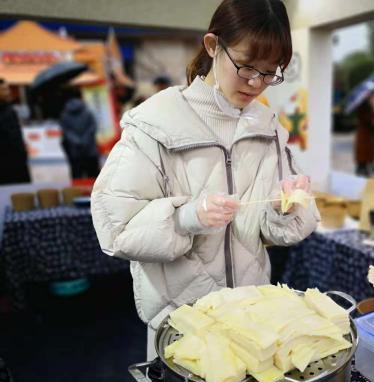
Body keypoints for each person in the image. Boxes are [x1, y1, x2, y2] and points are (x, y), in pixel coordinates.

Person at [90, 0, 320, 360]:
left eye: (270, 72)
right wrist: (186, 217)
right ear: (213, 46)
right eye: (246, 66)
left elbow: (276, 231)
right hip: (183, 321)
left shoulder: (268, 129)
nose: (257, 83)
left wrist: (285, 207)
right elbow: (115, 227)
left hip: (249, 316)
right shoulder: (155, 124)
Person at [59, 88, 100, 179]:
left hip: (75, 151)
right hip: (90, 149)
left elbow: (66, 131)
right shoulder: (87, 112)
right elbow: (93, 127)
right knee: (93, 176)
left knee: (77, 176)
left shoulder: (64, 115)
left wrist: (77, 141)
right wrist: (85, 139)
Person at [0, 79, 31, 185]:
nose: (8, 92)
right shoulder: (8, 112)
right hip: (13, 162)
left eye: (7, 89)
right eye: (4, 89)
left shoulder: (9, 109)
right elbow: (14, 138)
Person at [354, 100, 374, 176]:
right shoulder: (366, 106)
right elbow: (370, 117)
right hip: (365, 131)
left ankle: (361, 166)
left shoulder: (360, 106)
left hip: (363, 131)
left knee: (363, 150)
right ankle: (362, 167)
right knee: (364, 150)